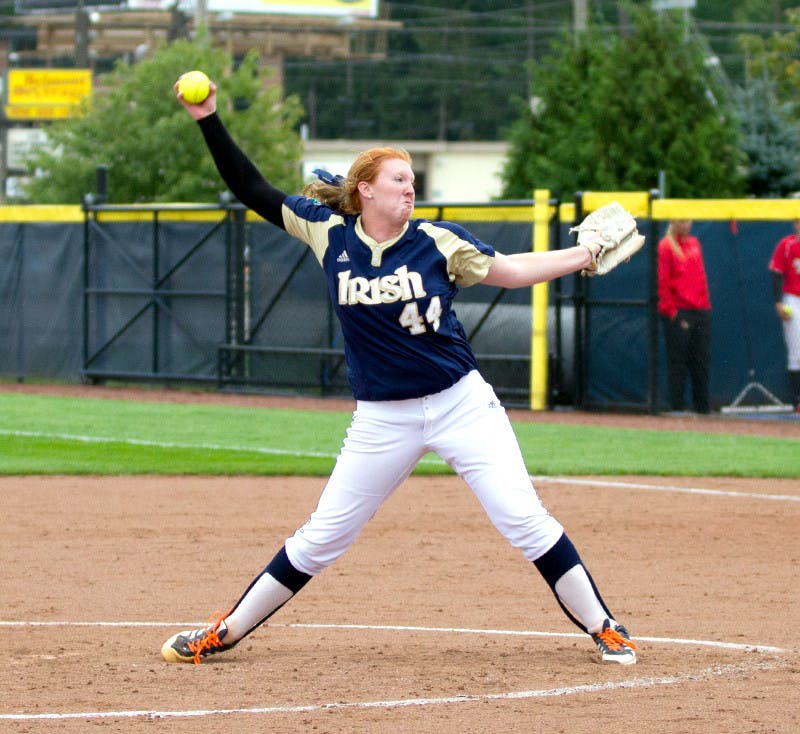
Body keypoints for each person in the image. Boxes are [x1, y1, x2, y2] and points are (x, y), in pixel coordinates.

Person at [161, 73, 637, 667]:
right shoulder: (326, 230)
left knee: (524, 519)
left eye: (413, 181)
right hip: (383, 418)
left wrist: (585, 255)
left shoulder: (437, 242)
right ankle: (224, 631)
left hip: (461, 404)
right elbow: (250, 187)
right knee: (322, 537)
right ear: (364, 190)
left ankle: (606, 627)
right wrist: (207, 116)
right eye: (399, 180)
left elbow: (511, 272)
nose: (410, 189)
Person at [657, 220, 712, 414]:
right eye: (682, 220)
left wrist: (705, 307)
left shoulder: (695, 243)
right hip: (680, 311)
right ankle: (677, 408)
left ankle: (702, 408)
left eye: (689, 219)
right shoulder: (666, 246)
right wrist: (672, 312)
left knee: (701, 360)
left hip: (700, 311)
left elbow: (700, 277)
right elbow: (662, 282)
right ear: (673, 221)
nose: (687, 223)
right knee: (678, 361)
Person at [768, 220, 800, 411]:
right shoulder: (786, 245)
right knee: (797, 352)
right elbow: (777, 275)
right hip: (792, 301)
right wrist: (779, 302)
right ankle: (797, 400)